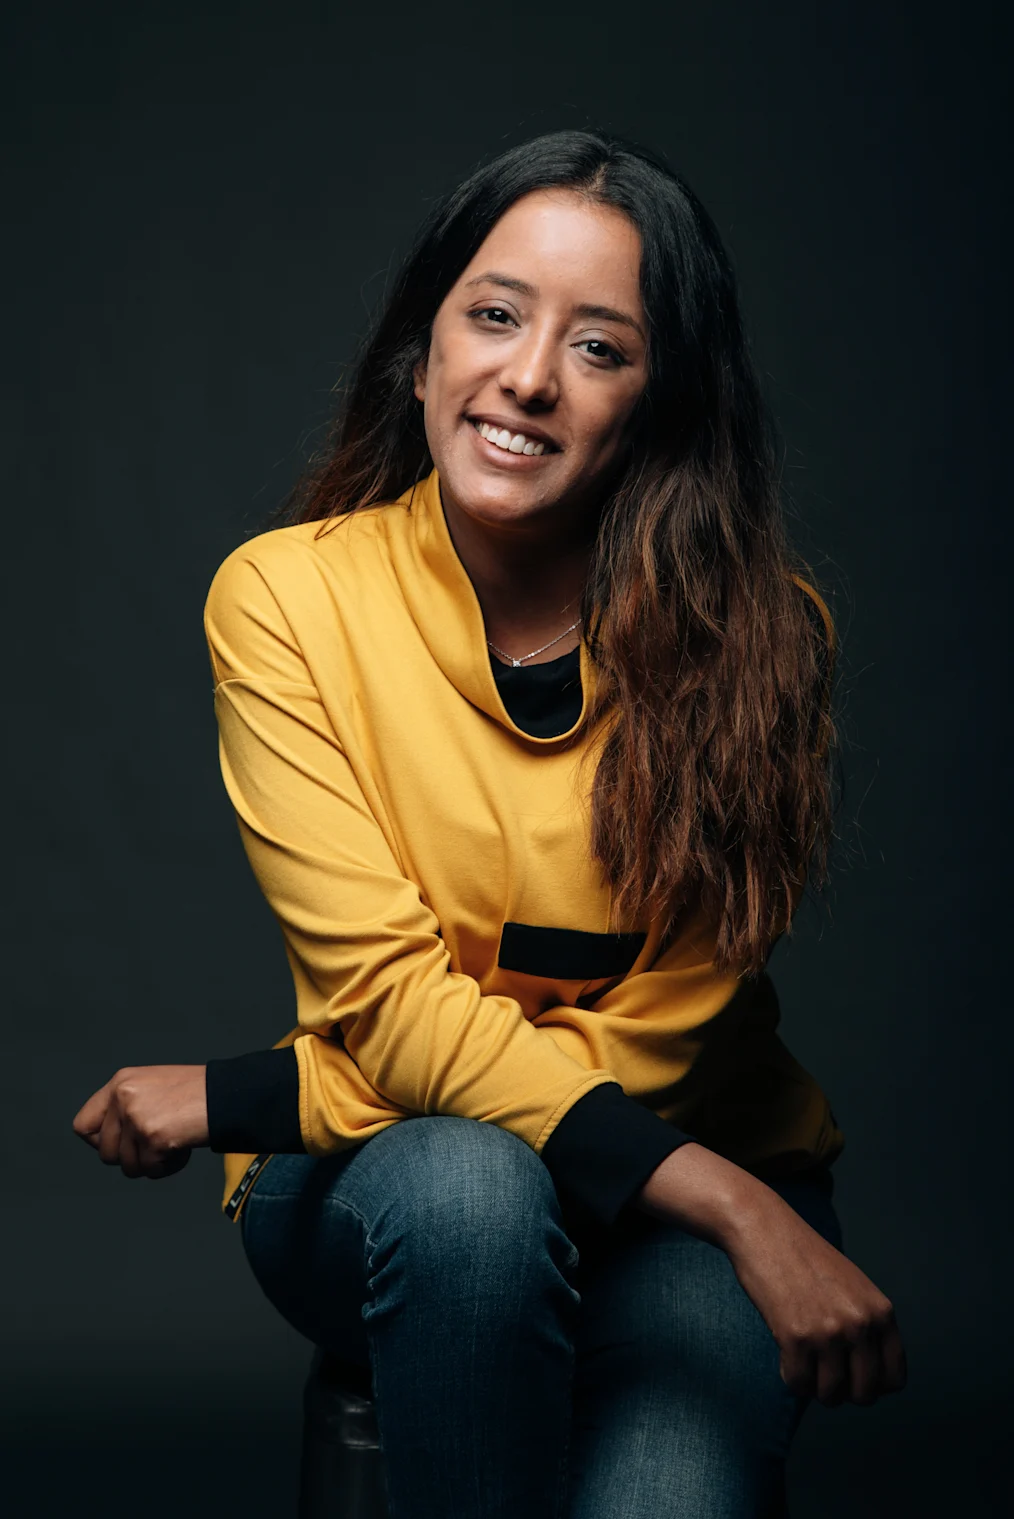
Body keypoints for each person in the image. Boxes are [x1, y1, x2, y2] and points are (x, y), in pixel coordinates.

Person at [72, 129, 906, 1517]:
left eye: (600, 347)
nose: (528, 377)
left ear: (659, 405)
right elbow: (393, 1005)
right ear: (424, 353)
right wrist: (734, 1202)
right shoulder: (287, 600)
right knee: (471, 1188)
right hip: (405, 1183)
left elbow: (662, 1043)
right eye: (497, 315)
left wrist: (255, 1095)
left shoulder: (765, 640)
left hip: (679, 1180)